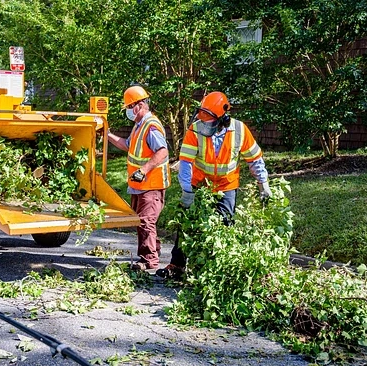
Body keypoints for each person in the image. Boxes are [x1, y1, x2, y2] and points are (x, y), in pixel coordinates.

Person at [157, 91, 271, 280]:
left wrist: (263, 183)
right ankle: (177, 265)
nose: (204, 125)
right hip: (199, 183)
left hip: (226, 185)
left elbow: (255, 159)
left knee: (224, 225)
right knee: (186, 224)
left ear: (222, 118)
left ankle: (217, 269)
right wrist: (187, 190)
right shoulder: (195, 129)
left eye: (208, 121)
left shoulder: (239, 130)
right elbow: (185, 163)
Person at [107, 86, 170, 271]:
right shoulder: (139, 125)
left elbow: (163, 151)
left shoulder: (150, 126)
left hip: (151, 184)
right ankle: (152, 252)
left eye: (129, 106)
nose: (128, 110)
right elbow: (127, 145)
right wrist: (107, 134)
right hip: (140, 184)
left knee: (145, 221)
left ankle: (149, 261)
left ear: (140, 105)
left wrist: (144, 170)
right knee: (143, 222)